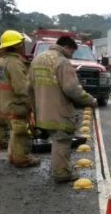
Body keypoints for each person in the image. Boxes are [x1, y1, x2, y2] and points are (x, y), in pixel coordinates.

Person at [28, 36, 98, 183]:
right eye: (71, 51)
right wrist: (90, 100)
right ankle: (62, 173)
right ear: (66, 47)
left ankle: (59, 167)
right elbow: (72, 88)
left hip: (42, 110)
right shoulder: (62, 61)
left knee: (55, 139)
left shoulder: (37, 59)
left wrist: (34, 108)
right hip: (59, 111)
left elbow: (29, 87)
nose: (71, 55)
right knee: (62, 140)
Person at [0, 30, 41, 167]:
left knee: (14, 132)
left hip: (4, 104)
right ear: (18, 46)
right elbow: (22, 89)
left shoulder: (1, 61)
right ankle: (22, 159)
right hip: (15, 105)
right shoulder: (15, 63)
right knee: (21, 132)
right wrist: (33, 105)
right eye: (22, 44)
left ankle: (13, 156)